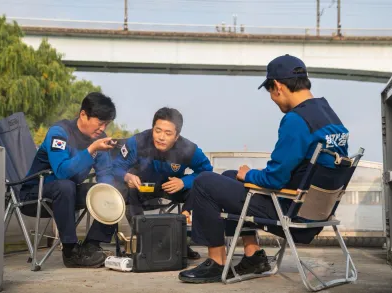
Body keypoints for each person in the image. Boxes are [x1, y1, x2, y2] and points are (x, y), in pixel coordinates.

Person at [178, 54, 350, 283]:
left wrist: (248, 174)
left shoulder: (296, 120)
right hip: (316, 212)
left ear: (277, 86)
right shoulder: (329, 115)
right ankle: (254, 256)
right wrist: (243, 177)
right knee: (230, 177)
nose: (272, 99)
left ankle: (217, 264)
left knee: (205, 181)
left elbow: (275, 178)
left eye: (270, 92)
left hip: (291, 213)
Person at [20, 92, 118, 268]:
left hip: (68, 195)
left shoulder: (99, 140)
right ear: (83, 115)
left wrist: (110, 195)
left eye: (106, 124)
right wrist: (91, 150)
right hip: (35, 194)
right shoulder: (59, 133)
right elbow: (62, 172)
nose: (102, 128)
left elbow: (105, 173)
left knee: (113, 193)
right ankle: (70, 251)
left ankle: (91, 246)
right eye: (99, 122)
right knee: (65, 185)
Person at [112, 107, 213, 259]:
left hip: (171, 189)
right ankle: (146, 242)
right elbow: (115, 167)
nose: (161, 137)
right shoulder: (137, 142)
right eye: (157, 130)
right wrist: (127, 176)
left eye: (168, 133)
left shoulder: (189, 149)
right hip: (142, 188)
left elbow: (206, 172)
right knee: (126, 191)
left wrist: (184, 182)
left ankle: (179, 240)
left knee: (199, 189)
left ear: (177, 136)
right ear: (152, 129)